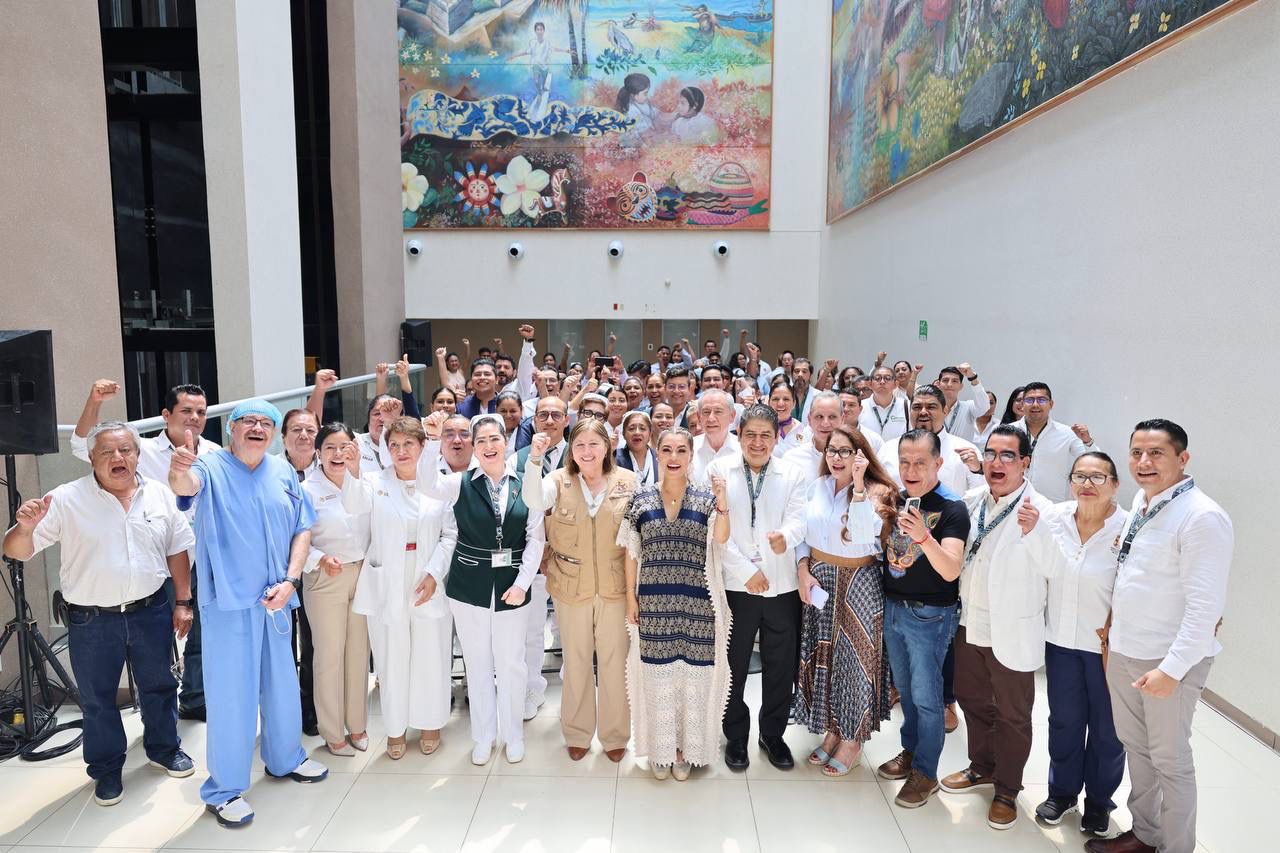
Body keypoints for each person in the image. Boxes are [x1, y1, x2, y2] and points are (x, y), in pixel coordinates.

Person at [4, 421, 196, 807]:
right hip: (92, 620)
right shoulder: (66, 499)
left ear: (137, 455)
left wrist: (183, 602)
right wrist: (23, 529)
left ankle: (164, 749)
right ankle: (107, 769)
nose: (117, 457)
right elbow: (15, 550)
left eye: (125, 450)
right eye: (106, 452)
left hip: (150, 611)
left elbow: (177, 549)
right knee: (97, 699)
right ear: (91, 458)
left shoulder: (159, 494)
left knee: (160, 686)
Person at [168, 400, 327, 827]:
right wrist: (179, 468)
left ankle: (285, 758)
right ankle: (224, 790)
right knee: (232, 696)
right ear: (231, 429)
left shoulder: (282, 471)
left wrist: (291, 580)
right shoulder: (210, 467)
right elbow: (185, 486)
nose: (257, 428)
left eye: (265, 423)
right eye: (247, 421)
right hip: (229, 602)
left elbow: (303, 528)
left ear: (274, 433)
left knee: (281, 684)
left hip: (276, 597)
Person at [1086, 420, 1233, 853]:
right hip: (1126, 651)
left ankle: (1176, 847)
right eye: (1136, 453)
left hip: (1168, 661)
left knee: (1170, 760)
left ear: (1182, 459)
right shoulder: (1143, 500)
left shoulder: (1202, 517)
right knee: (1137, 748)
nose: (1144, 462)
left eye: (1156, 453)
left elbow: (1205, 609)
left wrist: (1171, 670)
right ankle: (1145, 834)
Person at [69, 379, 218, 721]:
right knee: (158, 641)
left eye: (201, 412)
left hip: (205, 558)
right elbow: (80, 445)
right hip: (159, 563)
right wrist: (95, 401)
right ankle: (158, 710)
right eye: (186, 411)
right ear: (166, 415)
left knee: (201, 634)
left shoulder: (214, 453)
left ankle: (194, 698)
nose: (194, 418)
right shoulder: (139, 450)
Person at [941, 425, 1054, 831]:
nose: (996, 463)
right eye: (990, 454)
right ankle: (981, 766)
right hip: (969, 621)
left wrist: (1035, 533)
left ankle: (1007, 789)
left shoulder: (1045, 512)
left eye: (1008, 455)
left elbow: (1056, 568)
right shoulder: (972, 501)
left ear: (1026, 463)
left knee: (1012, 714)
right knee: (971, 699)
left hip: (1012, 628)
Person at [419, 413, 546, 765]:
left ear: (506, 443)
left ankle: (513, 735)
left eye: (495, 439)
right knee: (477, 663)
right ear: (474, 448)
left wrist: (522, 584)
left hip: (512, 586)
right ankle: (483, 737)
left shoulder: (526, 482)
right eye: (482, 441)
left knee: (512, 663)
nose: (489, 446)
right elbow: (426, 484)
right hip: (469, 586)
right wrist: (432, 442)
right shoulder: (459, 483)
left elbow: (536, 538)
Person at [1017, 452, 1126, 836]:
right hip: (1061, 641)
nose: (1087, 484)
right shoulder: (1055, 518)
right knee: (1064, 721)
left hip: (1107, 648)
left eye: (1097, 477)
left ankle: (1098, 802)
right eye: (1079, 476)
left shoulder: (1128, 528)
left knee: (1107, 729)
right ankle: (1062, 793)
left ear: (1115, 484)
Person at [523, 420, 638, 761]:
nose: (587, 452)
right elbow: (532, 499)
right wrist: (534, 459)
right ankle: (577, 732)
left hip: (615, 588)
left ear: (607, 447)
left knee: (615, 664)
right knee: (575, 661)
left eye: (594, 444)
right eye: (580, 445)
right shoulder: (558, 481)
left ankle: (615, 735)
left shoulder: (628, 482)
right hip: (570, 586)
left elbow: (637, 536)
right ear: (571, 450)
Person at [620, 427, 731, 780]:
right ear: (657, 453)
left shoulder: (705, 497)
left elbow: (721, 538)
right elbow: (631, 553)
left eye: (681, 450)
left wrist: (722, 501)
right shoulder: (640, 499)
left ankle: (685, 750)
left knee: (692, 679)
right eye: (666, 450)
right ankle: (661, 749)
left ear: (690, 455)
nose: (673, 457)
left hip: (698, 605)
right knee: (658, 678)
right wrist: (630, 597)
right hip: (654, 605)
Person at [794, 424, 897, 778]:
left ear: (860, 455)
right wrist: (803, 568)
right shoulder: (817, 487)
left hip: (859, 582)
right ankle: (832, 730)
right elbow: (802, 533)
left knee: (854, 661)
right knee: (825, 658)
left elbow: (864, 535)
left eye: (845, 451)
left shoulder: (879, 491)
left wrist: (858, 486)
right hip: (820, 580)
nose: (837, 458)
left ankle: (853, 738)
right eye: (831, 450)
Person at [708, 405, 807, 772]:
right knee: (733, 662)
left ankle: (773, 734)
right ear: (739, 435)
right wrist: (746, 571)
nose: (758, 442)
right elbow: (714, 528)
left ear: (777, 437)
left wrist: (787, 536)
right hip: (737, 584)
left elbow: (799, 519)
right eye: (750, 434)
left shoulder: (792, 473)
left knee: (780, 663)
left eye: (766, 435)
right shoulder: (719, 470)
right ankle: (735, 734)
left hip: (781, 584)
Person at [876, 429, 969, 809]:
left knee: (929, 699)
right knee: (907, 692)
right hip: (894, 608)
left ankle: (926, 773)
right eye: (904, 462)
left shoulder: (952, 508)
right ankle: (911, 752)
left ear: (938, 463)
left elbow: (951, 569)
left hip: (931, 615)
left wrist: (923, 537)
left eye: (920, 462)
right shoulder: (896, 500)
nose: (911, 470)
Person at [301, 423, 371, 757]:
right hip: (325, 577)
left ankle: (357, 724)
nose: (338, 454)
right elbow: (294, 539)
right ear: (318, 453)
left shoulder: (365, 482)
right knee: (329, 656)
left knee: (358, 653)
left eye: (345, 446)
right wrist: (318, 558)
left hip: (363, 574)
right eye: (329, 447)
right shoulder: (306, 490)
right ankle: (332, 731)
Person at [508, 395, 571, 721]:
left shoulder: (580, 453)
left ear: (566, 420)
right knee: (531, 630)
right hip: (531, 556)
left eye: (556, 415)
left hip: (569, 556)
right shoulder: (518, 459)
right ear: (533, 422)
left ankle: (573, 695)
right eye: (543, 414)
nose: (549, 420)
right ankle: (532, 689)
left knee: (572, 632)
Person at [280, 408, 321, 735]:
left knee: (312, 641)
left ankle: (309, 707)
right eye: (296, 430)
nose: (304, 436)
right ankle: (283, 711)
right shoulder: (271, 471)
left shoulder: (330, 467)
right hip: (277, 571)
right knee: (281, 645)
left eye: (310, 430)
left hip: (318, 570)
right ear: (283, 437)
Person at [877, 386, 983, 499]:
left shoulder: (966, 451)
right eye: (917, 407)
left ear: (945, 410)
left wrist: (977, 469)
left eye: (931, 407)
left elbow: (980, 496)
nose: (923, 412)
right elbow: (876, 491)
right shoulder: (888, 450)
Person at [782, 391, 845, 483]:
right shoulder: (792, 460)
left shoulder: (854, 460)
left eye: (832, 417)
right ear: (809, 419)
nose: (825, 423)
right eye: (819, 416)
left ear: (842, 419)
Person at [690, 389, 740, 482]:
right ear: (699, 417)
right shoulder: (688, 448)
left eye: (718, 411)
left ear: (732, 416)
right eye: (706, 412)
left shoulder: (743, 449)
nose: (711, 418)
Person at [935, 364, 989, 444]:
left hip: (962, 451)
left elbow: (984, 406)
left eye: (955, 381)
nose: (949, 384)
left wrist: (973, 378)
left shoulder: (968, 407)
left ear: (961, 386)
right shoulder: (931, 408)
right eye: (945, 380)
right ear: (938, 384)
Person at [860, 366, 911, 442]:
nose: (882, 382)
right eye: (877, 378)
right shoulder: (860, 406)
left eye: (887, 378)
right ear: (870, 384)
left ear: (896, 384)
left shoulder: (907, 406)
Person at [616, 410, 658, 486]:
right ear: (623, 434)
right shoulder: (614, 457)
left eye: (642, 428)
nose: (637, 432)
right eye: (631, 429)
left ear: (650, 434)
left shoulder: (659, 458)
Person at [837, 387, 884, 454]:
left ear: (860, 409)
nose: (846, 409)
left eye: (851, 405)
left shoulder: (874, 439)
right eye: (842, 404)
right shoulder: (825, 434)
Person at [768, 377, 807, 458]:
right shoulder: (761, 428)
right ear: (769, 402)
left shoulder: (802, 429)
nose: (780, 404)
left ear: (794, 403)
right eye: (775, 399)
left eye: (786, 399)